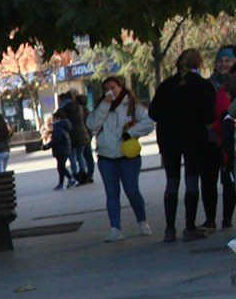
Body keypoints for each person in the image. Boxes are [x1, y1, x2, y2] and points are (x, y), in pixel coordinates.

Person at [149, 48, 217, 242]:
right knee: (191, 181)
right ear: (199, 64)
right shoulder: (203, 86)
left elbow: (153, 113)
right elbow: (210, 116)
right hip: (194, 140)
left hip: (169, 140)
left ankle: (169, 229)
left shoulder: (166, 86)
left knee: (171, 182)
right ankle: (189, 226)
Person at [88, 76, 156, 242]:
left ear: (120, 87)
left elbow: (149, 122)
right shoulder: (101, 106)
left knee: (132, 190)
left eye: (113, 87)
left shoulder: (132, 105)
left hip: (128, 156)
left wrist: (131, 133)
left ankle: (142, 221)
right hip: (106, 157)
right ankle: (115, 228)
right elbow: (92, 124)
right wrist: (105, 104)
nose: (110, 91)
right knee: (112, 193)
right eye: (106, 88)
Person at [201, 46, 236, 230]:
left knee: (229, 179)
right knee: (208, 179)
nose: (223, 64)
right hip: (211, 138)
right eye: (220, 61)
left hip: (230, 137)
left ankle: (227, 219)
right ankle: (210, 219)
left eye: (227, 60)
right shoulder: (209, 84)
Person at [56, 93, 93, 184]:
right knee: (80, 156)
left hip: (72, 136)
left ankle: (75, 175)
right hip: (83, 134)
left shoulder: (64, 108)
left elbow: (57, 115)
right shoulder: (79, 107)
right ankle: (83, 173)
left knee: (72, 156)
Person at [44, 113, 74, 190]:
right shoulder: (64, 126)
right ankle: (65, 182)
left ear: (58, 118)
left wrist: (47, 146)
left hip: (61, 150)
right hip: (65, 149)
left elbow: (56, 140)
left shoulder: (57, 128)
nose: (53, 121)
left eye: (54, 119)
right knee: (61, 167)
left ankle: (70, 180)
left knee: (61, 167)